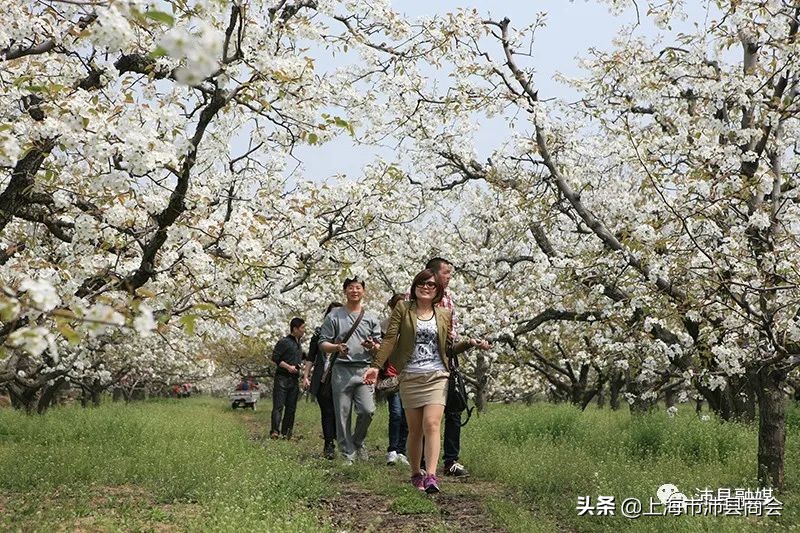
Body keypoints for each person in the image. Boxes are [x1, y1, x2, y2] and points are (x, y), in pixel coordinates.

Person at [365, 268, 472, 493]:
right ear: (415, 287)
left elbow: (448, 348)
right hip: (411, 374)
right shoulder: (403, 309)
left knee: (432, 424)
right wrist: (376, 367)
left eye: (431, 285)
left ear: (438, 290)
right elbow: (390, 339)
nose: (426, 287)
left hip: (437, 374)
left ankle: (431, 476)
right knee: (415, 430)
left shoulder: (444, 313)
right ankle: (416, 472)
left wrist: (470, 343)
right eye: (422, 283)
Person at [423, 257, 491, 477]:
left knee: (454, 408)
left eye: (450, 273)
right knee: (428, 415)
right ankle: (423, 462)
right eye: (446, 273)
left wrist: (470, 343)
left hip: (447, 362)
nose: (449, 277)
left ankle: (451, 460)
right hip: (424, 364)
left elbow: (452, 335)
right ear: (433, 274)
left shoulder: (449, 298)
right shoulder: (418, 297)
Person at [319, 278, 382, 464]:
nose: (354, 291)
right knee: (342, 413)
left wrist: (372, 346)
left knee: (367, 410)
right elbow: (322, 343)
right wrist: (336, 347)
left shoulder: (370, 318)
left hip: (363, 369)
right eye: (350, 288)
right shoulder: (334, 316)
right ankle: (348, 454)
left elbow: (380, 345)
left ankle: (358, 441)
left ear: (364, 291)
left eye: (358, 288)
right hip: (341, 370)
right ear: (345, 291)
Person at [303, 302, 342, 460]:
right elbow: (311, 357)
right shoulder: (318, 334)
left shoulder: (347, 333)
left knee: (339, 412)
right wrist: (306, 376)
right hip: (321, 378)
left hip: (340, 377)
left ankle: (342, 441)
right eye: (332, 314)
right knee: (327, 412)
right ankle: (329, 444)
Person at [381, 293, 409, 467]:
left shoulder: (411, 325)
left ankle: (402, 450)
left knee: (407, 415)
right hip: (391, 375)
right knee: (396, 413)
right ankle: (392, 449)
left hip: (409, 375)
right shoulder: (384, 326)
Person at [270, 317, 306, 439]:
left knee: (291, 408)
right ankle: (275, 431)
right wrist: (288, 367)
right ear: (295, 329)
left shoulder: (299, 344)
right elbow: (275, 358)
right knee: (278, 406)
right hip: (282, 378)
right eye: (302, 328)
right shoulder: (284, 342)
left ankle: (287, 433)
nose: (304, 331)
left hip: (294, 380)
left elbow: (302, 357)